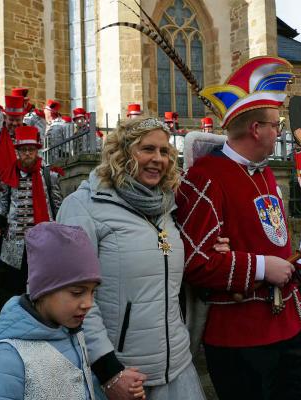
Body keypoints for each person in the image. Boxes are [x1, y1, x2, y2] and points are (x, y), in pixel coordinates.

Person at [176, 56, 301, 400]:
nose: (280, 131)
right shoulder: (205, 177)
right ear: (256, 129)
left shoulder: (264, 170)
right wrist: (260, 266)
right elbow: (196, 262)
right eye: (276, 124)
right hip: (239, 338)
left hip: (285, 324)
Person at [57, 116, 207, 400]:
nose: (158, 159)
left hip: (176, 367)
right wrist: (109, 370)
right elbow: (71, 296)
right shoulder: (83, 207)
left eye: (164, 151)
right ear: (122, 152)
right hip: (121, 373)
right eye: (147, 149)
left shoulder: (168, 207)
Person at [0, 221, 124, 400]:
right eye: (77, 292)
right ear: (43, 291)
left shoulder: (74, 335)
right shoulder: (8, 360)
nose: (88, 303)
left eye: (92, 292)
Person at [0, 126, 63, 297]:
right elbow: (3, 204)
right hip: (15, 241)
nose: (28, 154)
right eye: (24, 150)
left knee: (42, 283)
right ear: (18, 152)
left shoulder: (49, 174)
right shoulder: (10, 174)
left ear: (36, 151)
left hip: (42, 238)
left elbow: (58, 205)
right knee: (14, 286)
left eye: (31, 149)